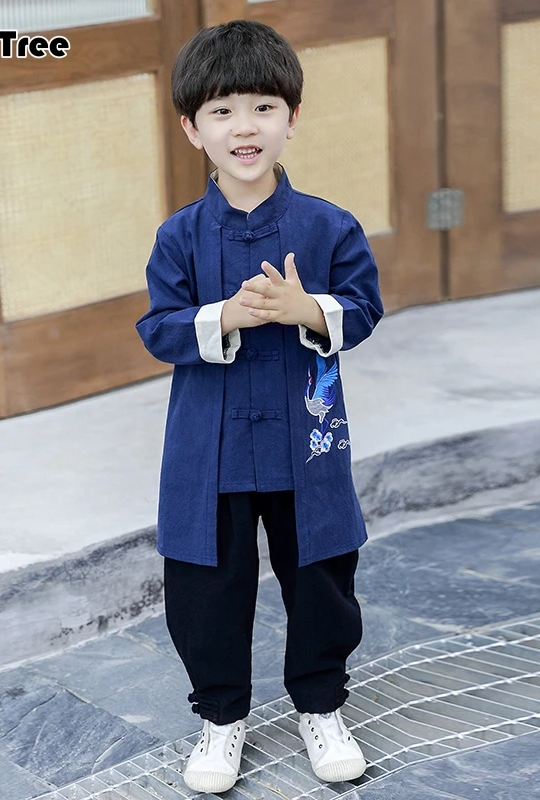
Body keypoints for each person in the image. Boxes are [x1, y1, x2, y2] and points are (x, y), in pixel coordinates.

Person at [135, 19, 383, 794]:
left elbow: (364, 308)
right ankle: (220, 718)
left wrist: (306, 309)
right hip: (208, 444)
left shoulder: (329, 226)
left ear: (291, 118)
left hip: (306, 437)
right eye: (221, 111)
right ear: (192, 129)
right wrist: (226, 317)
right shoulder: (178, 237)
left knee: (323, 572)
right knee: (206, 584)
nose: (244, 127)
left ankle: (322, 705)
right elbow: (158, 328)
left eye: (263, 108)